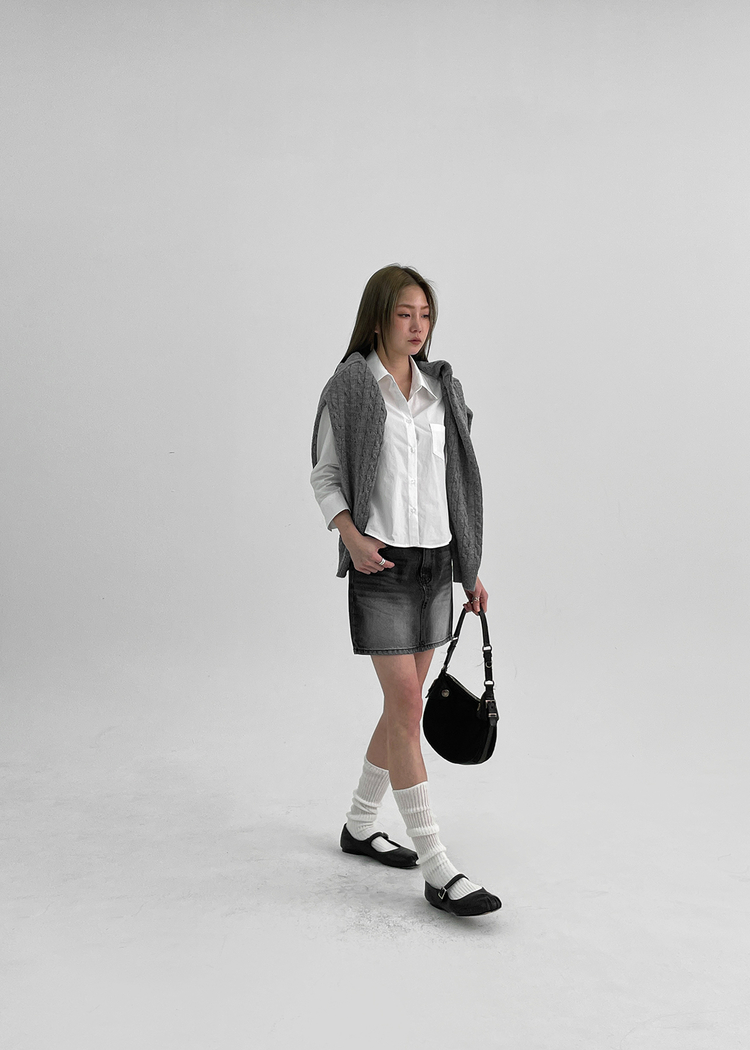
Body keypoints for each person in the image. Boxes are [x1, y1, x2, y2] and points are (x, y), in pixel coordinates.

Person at [310, 264, 501, 916]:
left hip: (436, 567)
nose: (417, 326)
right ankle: (438, 868)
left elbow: (457, 485)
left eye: (425, 314)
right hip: (383, 570)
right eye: (404, 314)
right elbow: (325, 475)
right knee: (404, 707)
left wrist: (468, 567)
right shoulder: (349, 388)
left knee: (404, 708)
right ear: (377, 318)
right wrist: (351, 537)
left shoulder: (442, 389)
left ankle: (359, 824)